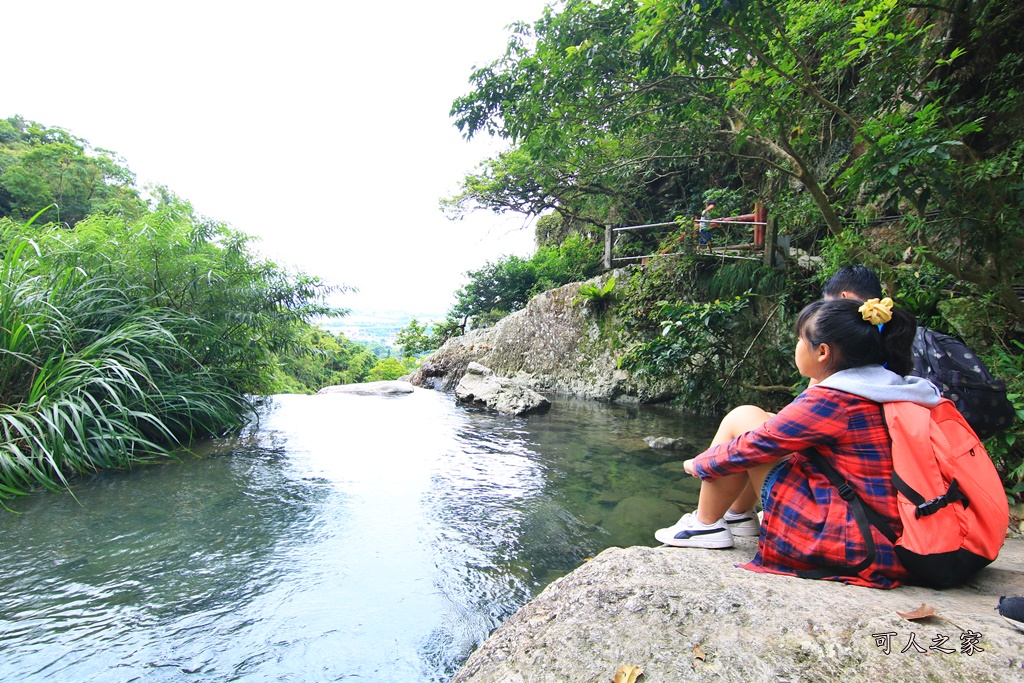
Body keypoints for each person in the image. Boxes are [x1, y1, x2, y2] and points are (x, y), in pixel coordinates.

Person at [654, 296, 942, 588]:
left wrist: (699, 463)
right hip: (889, 529)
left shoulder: (835, 399)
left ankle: (706, 525)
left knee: (742, 419)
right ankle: (738, 516)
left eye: (801, 339)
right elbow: (786, 427)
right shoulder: (887, 386)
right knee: (761, 417)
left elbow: (758, 444)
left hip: (853, 539)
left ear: (823, 352)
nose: (797, 346)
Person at [822, 265, 1014, 439]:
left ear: (845, 298)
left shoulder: (861, 345)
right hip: (950, 442)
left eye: (828, 306)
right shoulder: (905, 333)